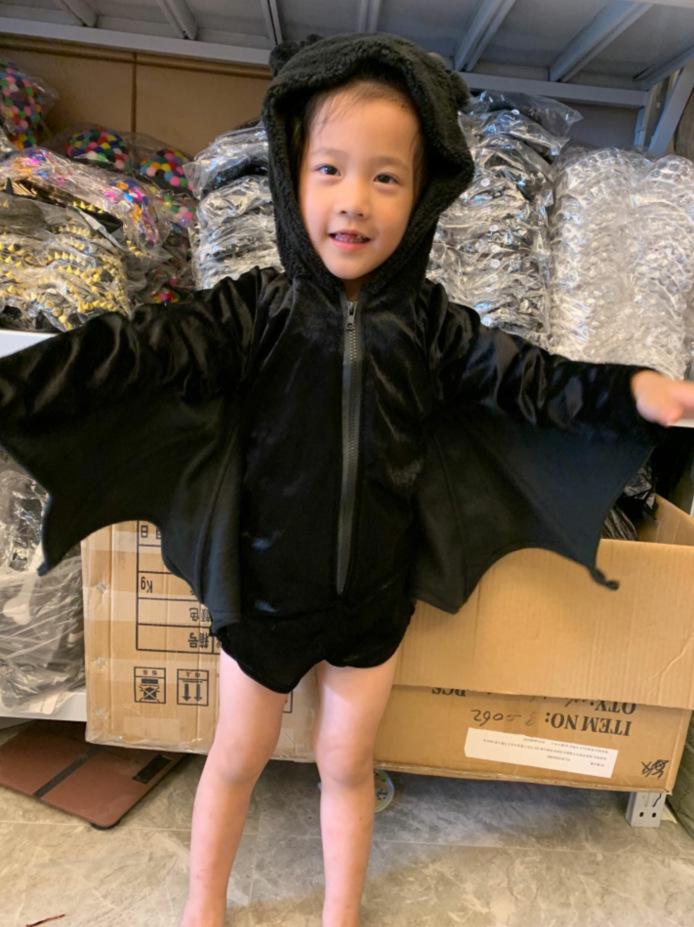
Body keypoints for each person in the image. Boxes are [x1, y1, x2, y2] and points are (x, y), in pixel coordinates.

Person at [0, 32, 693, 927]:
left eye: (386, 177)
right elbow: (131, 351)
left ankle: (341, 911)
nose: (354, 200)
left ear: (425, 193)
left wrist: (630, 390)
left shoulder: (435, 328)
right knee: (236, 758)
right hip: (263, 597)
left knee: (347, 763)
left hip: (375, 602)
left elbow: (534, 381)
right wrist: (17, 384)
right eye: (330, 169)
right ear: (293, 175)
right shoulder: (255, 311)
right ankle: (203, 903)